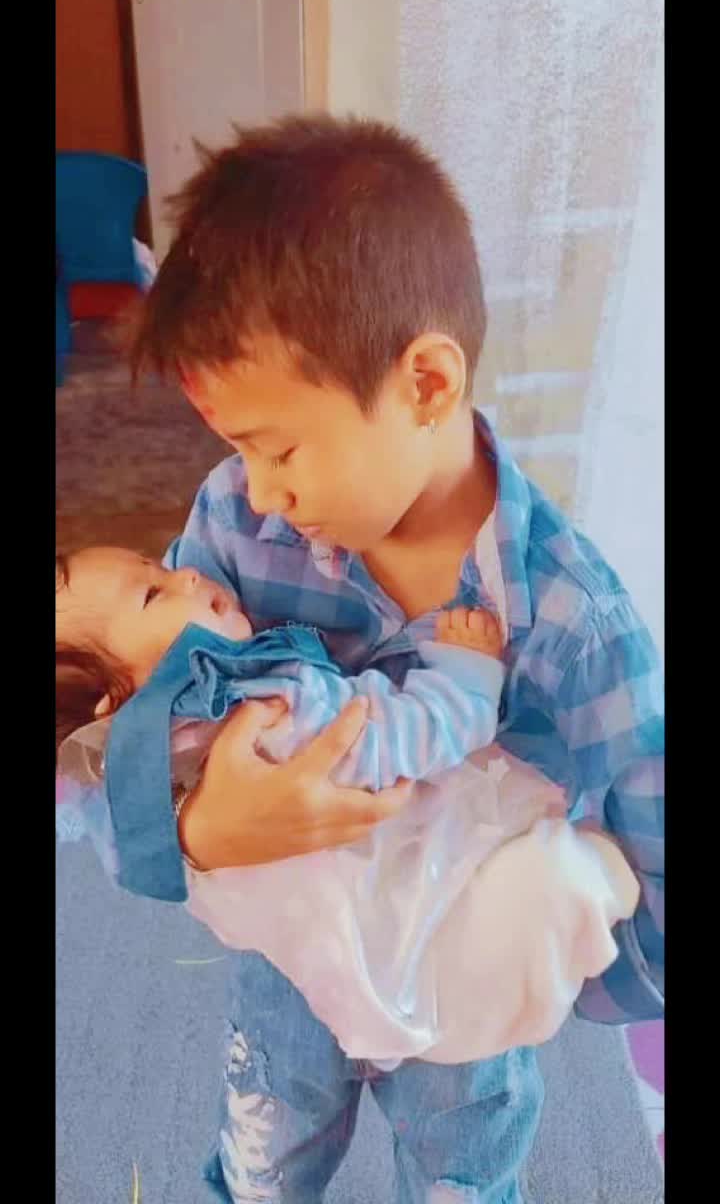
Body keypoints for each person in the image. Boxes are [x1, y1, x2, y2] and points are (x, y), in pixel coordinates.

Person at [57, 114, 664, 1203]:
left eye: (279, 447)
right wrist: (197, 832)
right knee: (267, 1154)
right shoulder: (235, 530)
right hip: (294, 969)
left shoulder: (572, 620)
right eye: (235, 448)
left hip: (461, 1006)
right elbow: (120, 731)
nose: (256, 487)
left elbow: (650, 833)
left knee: (461, 1173)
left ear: (426, 384)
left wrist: (550, 968)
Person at [56, 546, 638, 1069]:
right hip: (415, 942)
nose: (185, 573)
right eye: (154, 593)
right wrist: (467, 673)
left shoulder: (142, 776)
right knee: (544, 882)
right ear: (115, 701)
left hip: (347, 967)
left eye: (159, 566)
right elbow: (410, 738)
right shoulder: (275, 710)